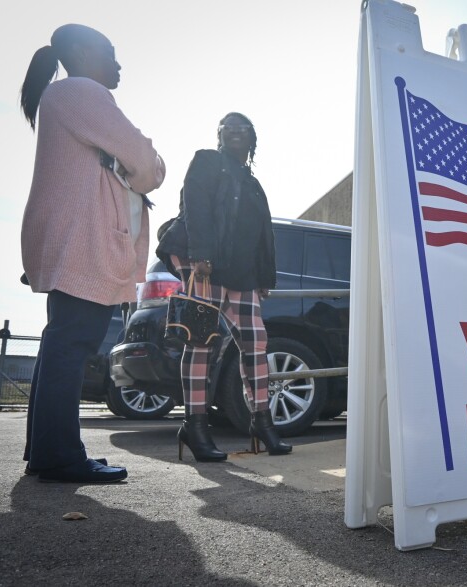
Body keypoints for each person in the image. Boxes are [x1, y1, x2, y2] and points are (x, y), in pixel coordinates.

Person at [19, 24, 165, 483]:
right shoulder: (82, 92)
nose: (118, 65)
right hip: (84, 241)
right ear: (82, 52)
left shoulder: (61, 98)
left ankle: (47, 450)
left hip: (67, 238)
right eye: (110, 54)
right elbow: (146, 164)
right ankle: (59, 455)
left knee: (61, 341)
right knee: (73, 341)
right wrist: (141, 161)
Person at [157, 112, 291, 461]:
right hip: (207, 267)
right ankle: (195, 425)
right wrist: (200, 254)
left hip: (243, 274)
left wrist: (266, 277)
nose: (235, 131)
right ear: (219, 135)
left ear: (252, 138)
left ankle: (261, 421)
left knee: (256, 343)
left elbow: (264, 235)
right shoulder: (207, 162)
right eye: (228, 127)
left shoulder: (253, 184)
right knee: (201, 342)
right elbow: (194, 205)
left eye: (242, 128)